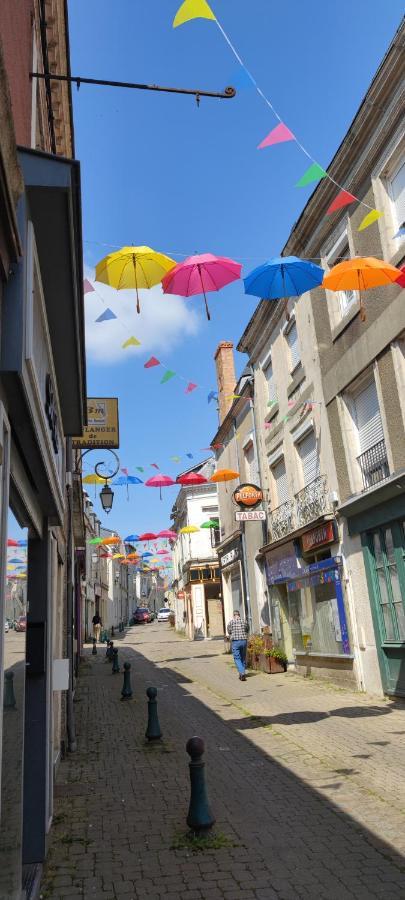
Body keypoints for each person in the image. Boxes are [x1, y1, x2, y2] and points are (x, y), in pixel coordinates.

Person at [227, 610, 249, 681]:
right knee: (243, 657)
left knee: (237, 658)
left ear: (234, 615)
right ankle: (241, 673)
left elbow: (229, 631)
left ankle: (242, 673)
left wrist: (232, 634)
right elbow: (247, 629)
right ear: (239, 615)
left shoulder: (231, 622)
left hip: (235, 642)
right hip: (244, 641)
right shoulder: (244, 621)